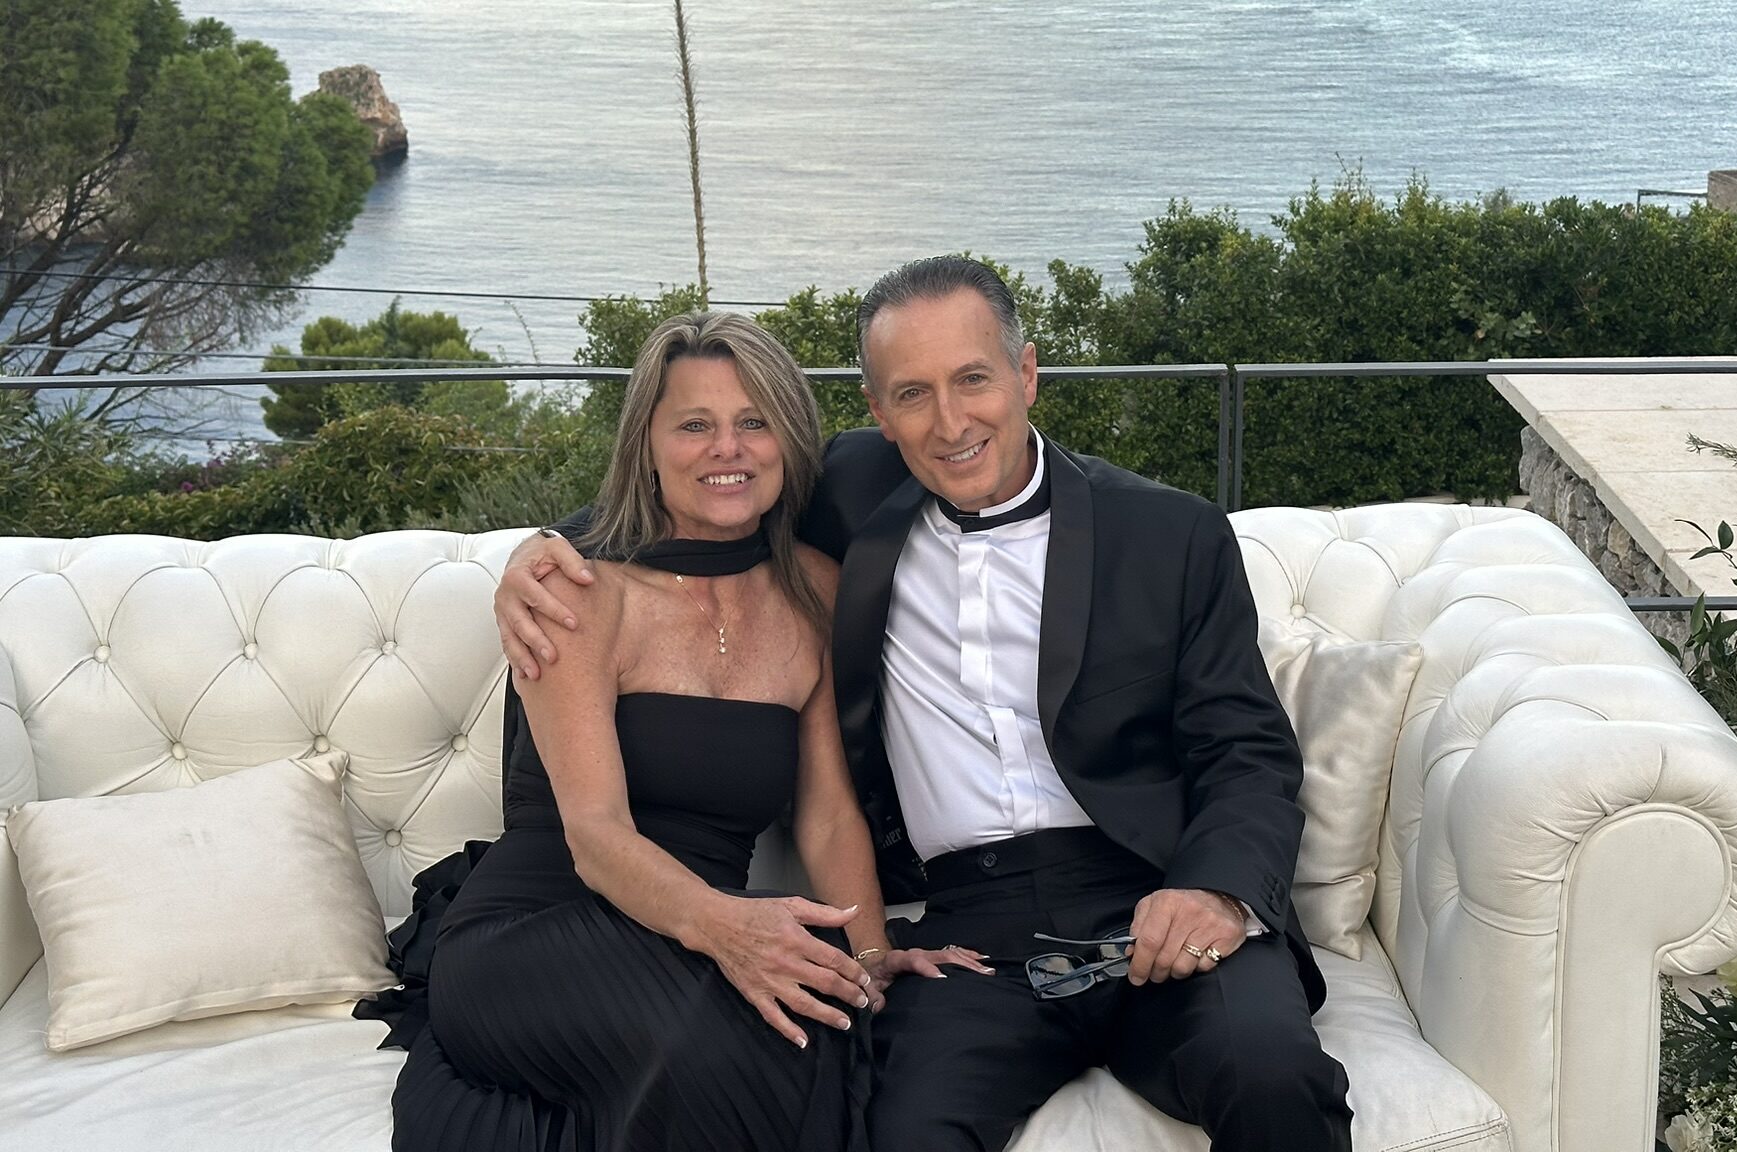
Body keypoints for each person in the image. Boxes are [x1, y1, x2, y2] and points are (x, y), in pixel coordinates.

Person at [497, 258, 1352, 1151]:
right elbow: (699, 485)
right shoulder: (850, 498)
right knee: (892, 1127)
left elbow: (1247, 752)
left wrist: (1213, 891)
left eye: (974, 379)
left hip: (1152, 889)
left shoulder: (1169, 534)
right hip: (973, 930)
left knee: (1272, 1072)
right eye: (913, 394)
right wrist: (547, 552)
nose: (950, 424)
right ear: (877, 413)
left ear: (1026, 373)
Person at [360, 311, 981, 1152]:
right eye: (695, 425)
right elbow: (597, 837)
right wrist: (734, 931)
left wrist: (871, 957)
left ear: (789, 439)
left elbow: (828, 814)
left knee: (818, 1021)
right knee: (715, 1040)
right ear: (646, 445)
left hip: (698, 931)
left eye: (753, 422)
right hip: (539, 929)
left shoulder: (816, 590)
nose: (728, 448)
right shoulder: (577, 590)